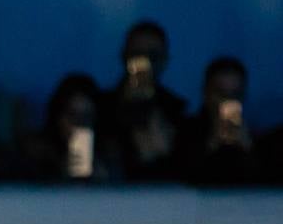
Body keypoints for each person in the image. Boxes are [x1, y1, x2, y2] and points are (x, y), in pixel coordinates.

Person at [100, 21, 186, 181]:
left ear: (164, 60)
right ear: (124, 55)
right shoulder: (100, 107)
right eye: (137, 55)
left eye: (152, 56)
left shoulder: (176, 111)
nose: (144, 65)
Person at [173, 56, 258, 186]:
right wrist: (211, 146)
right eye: (221, 94)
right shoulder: (185, 132)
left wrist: (249, 150)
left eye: (235, 95)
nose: (228, 101)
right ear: (206, 93)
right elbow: (180, 179)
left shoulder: (253, 135)